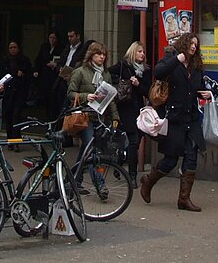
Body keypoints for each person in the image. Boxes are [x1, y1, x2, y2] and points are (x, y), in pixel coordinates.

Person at [140, 32, 212, 211]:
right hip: (174, 119)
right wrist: (177, 60)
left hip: (192, 118)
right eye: (191, 43)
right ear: (184, 43)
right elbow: (158, 72)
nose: (194, 47)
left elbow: (198, 86)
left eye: (196, 45)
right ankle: (149, 181)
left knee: (191, 157)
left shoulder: (196, 66)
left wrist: (207, 93)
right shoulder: (172, 59)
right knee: (170, 160)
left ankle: (184, 199)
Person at [66, 41, 119, 188]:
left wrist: (115, 117)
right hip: (85, 117)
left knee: (85, 151)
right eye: (98, 54)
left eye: (104, 55)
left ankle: (73, 181)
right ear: (91, 55)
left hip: (100, 117)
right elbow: (70, 93)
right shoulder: (80, 72)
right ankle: (100, 185)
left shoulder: (106, 74)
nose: (102, 57)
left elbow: (110, 98)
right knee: (91, 150)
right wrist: (85, 96)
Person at [109, 40, 152, 188]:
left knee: (136, 140)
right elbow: (107, 73)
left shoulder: (146, 71)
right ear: (133, 52)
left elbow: (147, 92)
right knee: (133, 141)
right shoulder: (123, 66)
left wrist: (138, 84)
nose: (142, 54)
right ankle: (132, 176)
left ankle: (119, 161)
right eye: (139, 51)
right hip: (125, 108)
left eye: (143, 52)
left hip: (138, 108)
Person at [0, 40, 32, 141]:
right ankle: (10, 139)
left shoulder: (24, 60)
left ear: (18, 48)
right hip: (8, 92)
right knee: (8, 115)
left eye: (14, 47)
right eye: (11, 48)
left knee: (16, 115)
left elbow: (29, 75)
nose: (13, 50)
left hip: (19, 91)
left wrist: (22, 75)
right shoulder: (5, 61)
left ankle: (16, 139)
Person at [34, 31, 61, 120]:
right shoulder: (44, 47)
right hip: (45, 74)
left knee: (53, 98)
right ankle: (47, 115)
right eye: (50, 38)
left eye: (54, 38)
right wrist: (36, 70)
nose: (52, 40)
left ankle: (53, 116)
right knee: (45, 96)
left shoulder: (60, 48)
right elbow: (39, 59)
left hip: (54, 75)